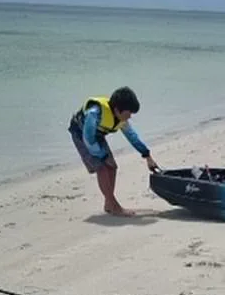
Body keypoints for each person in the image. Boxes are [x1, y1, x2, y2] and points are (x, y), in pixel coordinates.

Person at [68, 87, 158, 216]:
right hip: (81, 135)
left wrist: (147, 155)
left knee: (112, 167)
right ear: (117, 110)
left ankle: (109, 204)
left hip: (97, 135)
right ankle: (114, 205)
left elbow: (132, 136)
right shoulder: (94, 113)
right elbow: (88, 139)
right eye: (128, 113)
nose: (130, 116)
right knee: (102, 168)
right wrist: (102, 155)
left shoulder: (121, 118)